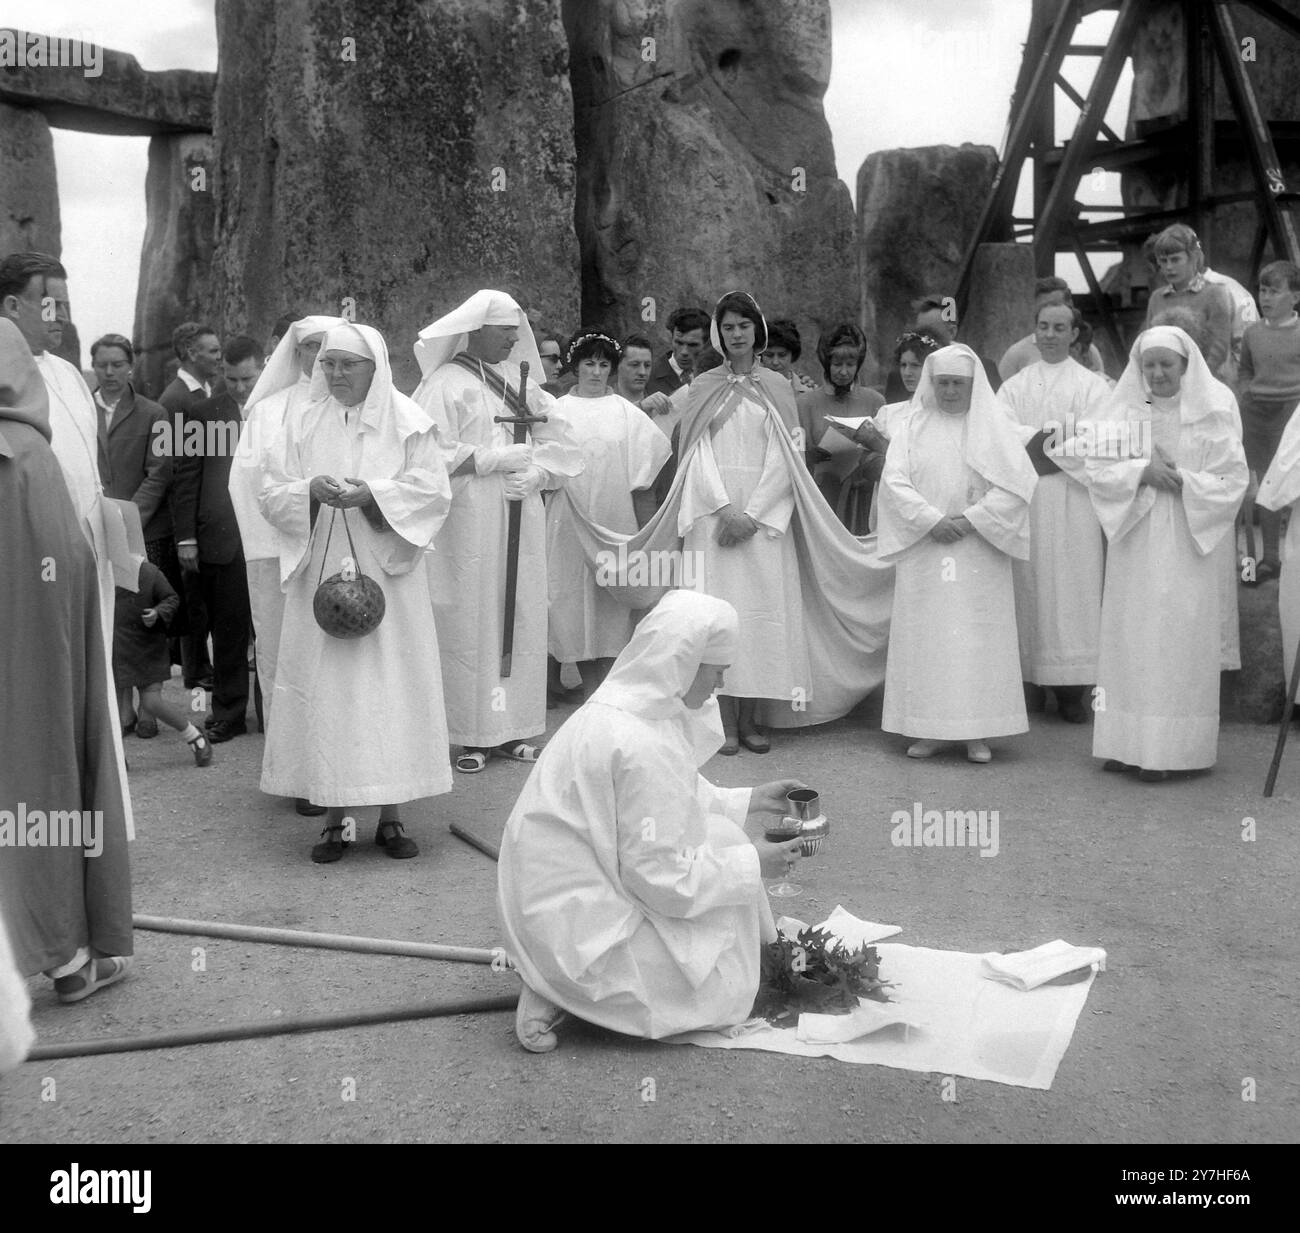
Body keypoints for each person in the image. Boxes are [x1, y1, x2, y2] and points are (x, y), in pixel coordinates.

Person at [497, 590, 806, 1051]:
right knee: (728, 988)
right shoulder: (641, 742)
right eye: (717, 671)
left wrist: (753, 799)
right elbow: (659, 878)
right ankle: (561, 991)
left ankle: (553, 976)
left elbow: (673, 801)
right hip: (581, 934)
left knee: (723, 837)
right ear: (685, 662)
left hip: (557, 910)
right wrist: (754, 864)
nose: (719, 685)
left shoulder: (626, 712)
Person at [258, 323, 454, 862]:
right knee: (332, 694)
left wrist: (374, 495)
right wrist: (309, 493)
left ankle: (391, 818)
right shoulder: (300, 421)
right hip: (322, 571)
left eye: (348, 364)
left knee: (388, 691)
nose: (336, 374)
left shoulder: (410, 422)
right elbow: (271, 491)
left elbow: (433, 493)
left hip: (388, 574)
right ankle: (335, 818)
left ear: (377, 367)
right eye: (328, 364)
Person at [0, 317, 134, 1004]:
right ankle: (68, 959)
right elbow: (69, 565)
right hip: (29, 681)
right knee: (42, 782)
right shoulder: (26, 456)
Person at [412, 289, 582, 773]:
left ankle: (509, 730)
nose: (513, 338)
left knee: (520, 612)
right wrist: (489, 459)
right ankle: (469, 732)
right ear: (475, 328)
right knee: (471, 618)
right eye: (505, 329)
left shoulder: (523, 383)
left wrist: (542, 474)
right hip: (466, 521)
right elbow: (423, 453)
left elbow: (562, 440)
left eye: (516, 329)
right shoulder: (445, 383)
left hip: (520, 512)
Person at [0, 252, 135, 830]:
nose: (59, 317)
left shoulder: (69, 376)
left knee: (94, 681)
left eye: (65, 305)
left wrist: (120, 540)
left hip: (91, 556)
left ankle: (104, 819)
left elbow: (93, 472)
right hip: (34, 560)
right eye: (47, 302)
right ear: (11, 306)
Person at [1085, 326, 1247, 781]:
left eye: (1166, 365)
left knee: (1177, 640)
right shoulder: (1124, 411)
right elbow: (1097, 468)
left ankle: (1173, 750)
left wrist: (1181, 481)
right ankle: (1124, 742)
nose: (1156, 374)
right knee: (1130, 638)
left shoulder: (1215, 409)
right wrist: (1140, 472)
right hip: (1136, 539)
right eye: (1148, 365)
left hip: (1188, 542)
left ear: (1186, 365)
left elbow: (1233, 479)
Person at [878, 344, 1037, 763]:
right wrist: (932, 520)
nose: (950, 391)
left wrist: (970, 520)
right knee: (928, 640)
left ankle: (976, 732)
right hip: (927, 548)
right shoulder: (912, 427)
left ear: (973, 386)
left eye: (958, 384)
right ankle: (927, 729)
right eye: (943, 382)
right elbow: (894, 483)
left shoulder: (994, 429)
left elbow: (1016, 488)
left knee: (975, 641)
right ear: (932, 384)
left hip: (978, 550)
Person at [228, 314, 343, 789]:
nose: (318, 358)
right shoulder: (270, 410)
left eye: (328, 347)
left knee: (337, 661)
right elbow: (250, 487)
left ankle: (342, 764)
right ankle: (295, 771)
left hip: (340, 553)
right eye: (309, 348)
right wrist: (282, 544)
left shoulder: (352, 406)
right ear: (295, 354)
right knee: (285, 659)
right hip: (281, 556)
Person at [996, 303, 1109, 721]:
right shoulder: (1014, 386)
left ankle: (1071, 691)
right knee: (1027, 587)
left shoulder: (1093, 386)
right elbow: (1001, 435)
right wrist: (1057, 441)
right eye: (1042, 326)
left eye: (1059, 327)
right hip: (1027, 499)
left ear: (1074, 333)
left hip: (1074, 503)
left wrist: (1041, 445)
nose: (1049, 334)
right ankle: (1027, 684)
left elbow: (1096, 439)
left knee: (1072, 591)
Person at [545, 331, 671, 697]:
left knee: (610, 598)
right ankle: (587, 684)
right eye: (589, 363)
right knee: (569, 595)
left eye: (603, 365)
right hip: (567, 518)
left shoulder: (626, 413)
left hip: (614, 515)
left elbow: (646, 472)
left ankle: (608, 684)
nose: (596, 372)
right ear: (575, 366)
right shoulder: (556, 412)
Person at [171, 336, 263, 744]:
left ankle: (275, 713)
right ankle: (228, 712)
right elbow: (186, 476)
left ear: (262, 369)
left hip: (269, 536)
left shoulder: (279, 411)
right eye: (231, 378)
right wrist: (187, 537)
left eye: (247, 378)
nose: (240, 387)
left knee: (272, 632)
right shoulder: (203, 413)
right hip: (221, 538)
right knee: (226, 630)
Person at [91, 332, 175, 738]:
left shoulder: (154, 414)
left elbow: (159, 472)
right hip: (93, 528)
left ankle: (150, 704)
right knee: (110, 616)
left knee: (144, 615)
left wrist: (125, 521)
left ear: (130, 367)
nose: (109, 372)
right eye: (101, 364)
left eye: (116, 364)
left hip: (139, 530)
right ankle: (118, 704)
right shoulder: (79, 409)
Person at [158, 321, 221, 690]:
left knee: (202, 596)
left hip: (204, 514)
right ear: (190, 353)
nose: (217, 356)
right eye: (211, 351)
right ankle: (196, 672)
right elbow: (174, 467)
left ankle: (199, 666)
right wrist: (185, 533)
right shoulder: (177, 399)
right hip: (188, 518)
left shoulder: (204, 391)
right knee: (193, 596)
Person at [833, 329, 943, 533]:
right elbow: (864, 463)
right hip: (889, 506)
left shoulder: (942, 417)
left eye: (915, 366)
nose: (907, 372)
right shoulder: (888, 414)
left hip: (931, 503)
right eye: (903, 365)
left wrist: (882, 446)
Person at [113, 558, 213, 766]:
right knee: (110, 708)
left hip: (146, 650)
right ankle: (115, 759)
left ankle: (194, 736)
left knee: (152, 702)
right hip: (117, 652)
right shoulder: (100, 571)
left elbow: (171, 598)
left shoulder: (147, 571)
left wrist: (158, 612)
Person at [1237, 260, 1300, 584]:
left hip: (1293, 415)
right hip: (1258, 413)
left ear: (1295, 296)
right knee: (1267, 486)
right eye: (1263, 290)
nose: (1266, 297)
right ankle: (1269, 559)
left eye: (1274, 291)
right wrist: (1247, 390)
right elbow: (1245, 369)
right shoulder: (1252, 333)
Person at [794, 322, 886, 529]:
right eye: (837, 364)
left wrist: (873, 443)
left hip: (863, 500)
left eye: (850, 365)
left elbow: (892, 454)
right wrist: (807, 455)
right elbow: (792, 453)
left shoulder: (876, 402)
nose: (844, 372)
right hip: (821, 500)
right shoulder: (804, 404)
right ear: (826, 363)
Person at [1145, 224, 1234, 379]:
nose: (1169, 267)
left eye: (1175, 259)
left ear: (1193, 257)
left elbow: (1219, 347)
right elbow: (1148, 343)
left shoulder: (1214, 293)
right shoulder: (1156, 298)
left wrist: (1193, 380)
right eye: (1163, 261)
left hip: (1206, 379)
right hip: (1164, 380)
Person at [884, 294, 1001, 400]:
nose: (922, 338)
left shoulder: (981, 368)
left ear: (951, 332)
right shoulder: (899, 377)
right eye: (919, 331)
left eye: (931, 332)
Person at [998, 277, 1106, 380]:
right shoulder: (1016, 354)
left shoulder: (1087, 350)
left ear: (1070, 306)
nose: (1049, 312)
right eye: (1043, 307)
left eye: (1055, 305)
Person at [645, 306, 710, 397]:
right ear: (671, 338)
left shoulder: (717, 376)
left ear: (706, 344)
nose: (684, 352)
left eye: (692, 345)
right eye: (679, 343)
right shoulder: (647, 376)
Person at [761, 318, 819, 394]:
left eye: (782, 355)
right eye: (769, 355)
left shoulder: (808, 391)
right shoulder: (750, 388)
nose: (775, 362)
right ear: (760, 356)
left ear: (793, 355)